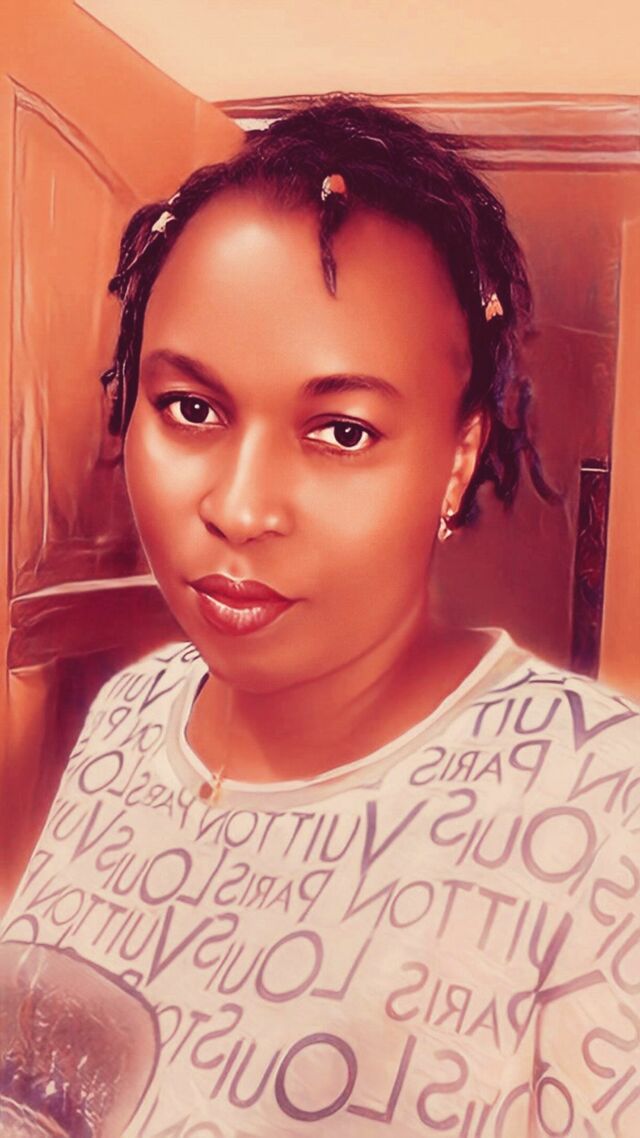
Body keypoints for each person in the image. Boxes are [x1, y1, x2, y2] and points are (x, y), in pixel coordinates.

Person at [1, 94, 639, 1138]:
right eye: (191, 409)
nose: (239, 507)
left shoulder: (600, 801)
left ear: (458, 459)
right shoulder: (132, 713)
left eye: (341, 431)